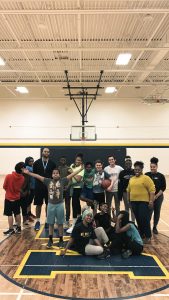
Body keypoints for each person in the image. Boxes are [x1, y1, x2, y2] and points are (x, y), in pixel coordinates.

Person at [23, 164, 84, 249]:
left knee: (60, 224)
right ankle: (50, 239)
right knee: (50, 223)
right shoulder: (48, 181)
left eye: (57, 173)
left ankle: (61, 239)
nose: (55, 174)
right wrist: (28, 173)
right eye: (54, 173)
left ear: (59, 175)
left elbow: (72, 175)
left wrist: (80, 169)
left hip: (59, 205)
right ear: (52, 175)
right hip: (51, 205)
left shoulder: (63, 181)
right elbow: (37, 176)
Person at [127, 161, 155, 243]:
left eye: (138, 169)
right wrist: (129, 200)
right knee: (138, 219)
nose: (136, 171)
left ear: (142, 169)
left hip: (143, 202)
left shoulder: (146, 178)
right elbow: (128, 190)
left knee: (144, 219)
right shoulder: (131, 179)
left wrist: (151, 201)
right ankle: (141, 234)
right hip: (133, 202)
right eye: (135, 169)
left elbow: (152, 190)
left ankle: (148, 236)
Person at [33, 148, 56, 231]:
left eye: (47, 152)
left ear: (49, 153)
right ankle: (38, 221)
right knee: (38, 204)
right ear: (42, 152)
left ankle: (47, 220)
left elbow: (54, 175)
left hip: (49, 187)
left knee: (48, 204)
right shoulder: (36, 163)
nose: (46, 153)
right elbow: (34, 174)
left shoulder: (52, 163)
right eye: (45, 151)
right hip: (39, 187)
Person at [145, 157, 166, 234]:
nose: (152, 168)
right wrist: (150, 197)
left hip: (158, 197)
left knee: (157, 212)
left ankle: (154, 227)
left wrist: (156, 196)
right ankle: (147, 227)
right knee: (149, 212)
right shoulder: (146, 175)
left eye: (154, 167)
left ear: (157, 167)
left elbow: (163, 187)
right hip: (149, 197)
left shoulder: (161, 176)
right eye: (151, 167)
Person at [3, 162, 25, 235]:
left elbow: (4, 186)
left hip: (8, 198)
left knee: (9, 214)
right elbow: (19, 188)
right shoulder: (22, 178)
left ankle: (11, 229)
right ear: (21, 169)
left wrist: (9, 191)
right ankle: (19, 228)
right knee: (17, 213)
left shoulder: (8, 176)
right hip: (17, 198)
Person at [67, 153, 84, 234]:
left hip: (78, 188)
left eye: (80, 160)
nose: (78, 161)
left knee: (75, 204)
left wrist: (72, 173)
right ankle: (78, 221)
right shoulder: (72, 165)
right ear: (75, 160)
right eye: (77, 160)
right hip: (71, 187)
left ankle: (74, 225)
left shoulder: (82, 168)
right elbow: (69, 177)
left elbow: (78, 179)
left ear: (81, 161)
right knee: (76, 204)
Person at [118, 156, 135, 221]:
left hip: (134, 193)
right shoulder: (122, 173)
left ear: (131, 164)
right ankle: (127, 221)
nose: (128, 165)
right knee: (127, 208)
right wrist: (120, 196)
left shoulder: (134, 172)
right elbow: (120, 185)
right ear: (125, 164)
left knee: (133, 208)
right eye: (127, 163)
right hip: (125, 193)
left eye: (129, 163)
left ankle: (133, 222)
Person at [58, 156, 71, 227]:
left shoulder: (68, 168)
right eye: (61, 160)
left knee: (67, 205)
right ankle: (59, 219)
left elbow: (71, 179)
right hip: (60, 189)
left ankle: (67, 220)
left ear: (65, 161)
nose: (63, 161)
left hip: (67, 189)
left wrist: (68, 186)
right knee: (59, 205)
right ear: (60, 161)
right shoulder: (58, 169)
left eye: (64, 160)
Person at [25, 156, 36, 221]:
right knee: (28, 202)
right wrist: (28, 188)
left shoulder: (32, 167)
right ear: (27, 162)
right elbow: (27, 179)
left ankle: (29, 213)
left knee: (30, 202)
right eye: (30, 161)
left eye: (32, 161)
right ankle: (26, 215)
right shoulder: (27, 168)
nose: (32, 162)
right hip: (30, 188)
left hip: (33, 187)